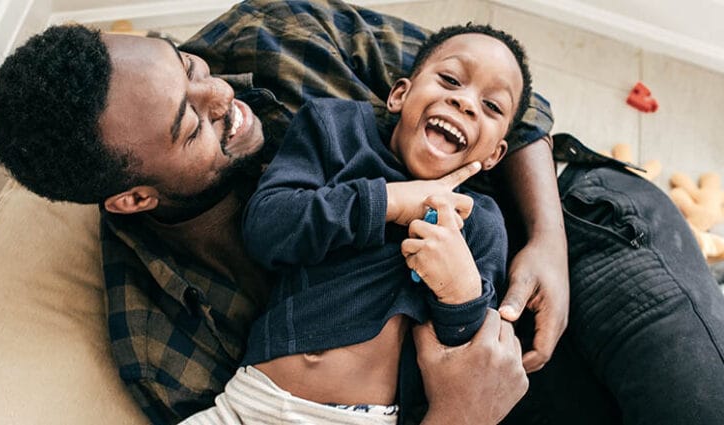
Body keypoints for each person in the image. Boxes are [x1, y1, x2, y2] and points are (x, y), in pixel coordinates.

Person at [0, 0, 724, 424]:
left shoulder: (276, 38)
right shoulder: (160, 324)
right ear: (133, 195)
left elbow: (502, 90)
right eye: (192, 122)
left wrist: (549, 243)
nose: (222, 95)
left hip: (584, 243)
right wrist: (459, 410)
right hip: (474, 375)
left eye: (186, 65)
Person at [181, 24, 528, 424]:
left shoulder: (479, 221)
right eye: (450, 80)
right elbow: (267, 227)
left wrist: (460, 291)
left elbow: (468, 361)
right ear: (400, 95)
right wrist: (389, 202)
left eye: (492, 107)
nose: (465, 102)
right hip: (250, 400)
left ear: (495, 155)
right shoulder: (336, 129)